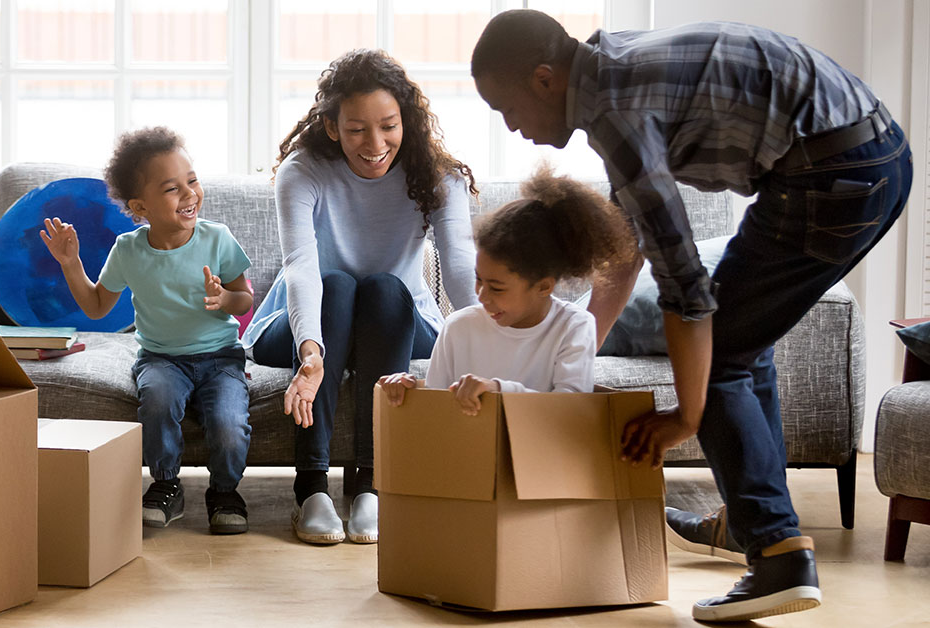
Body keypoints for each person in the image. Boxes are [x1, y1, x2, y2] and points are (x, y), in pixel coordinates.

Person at [471, 10, 912, 622]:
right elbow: (627, 249)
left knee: (724, 343)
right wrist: (569, 357)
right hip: (864, 155)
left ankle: (779, 554)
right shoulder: (608, 66)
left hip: (836, 171)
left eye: (506, 108)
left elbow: (686, 288)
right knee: (742, 338)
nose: (511, 126)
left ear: (545, 79)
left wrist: (686, 415)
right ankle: (756, 521)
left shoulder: (613, 113)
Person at [241, 49, 479, 545]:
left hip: (396, 321)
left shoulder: (439, 176)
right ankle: (312, 490)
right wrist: (309, 352)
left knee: (385, 289)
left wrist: (489, 340)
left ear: (406, 121)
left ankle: (371, 486)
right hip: (301, 322)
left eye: (388, 126)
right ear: (331, 126)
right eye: (356, 130)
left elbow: (460, 266)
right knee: (338, 285)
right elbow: (302, 269)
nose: (375, 144)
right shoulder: (302, 171)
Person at [40, 126, 255, 535]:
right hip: (161, 358)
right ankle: (166, 486)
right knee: (157, 403)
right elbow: (98, 306)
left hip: (221, 357)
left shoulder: (218, 239)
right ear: (141, 206)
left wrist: (225, 300)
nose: (190, 194)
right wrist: (71, 264)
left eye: (192, 181)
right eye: (173, 188)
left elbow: (244, 298)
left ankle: (225, 492)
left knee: (229, 423)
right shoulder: (129, 250)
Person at [379, 168, 636, 410]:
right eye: (479, 280)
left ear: (544, 286)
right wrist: (411, 389)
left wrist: (498, 390)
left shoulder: (575, 327)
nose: (481, 295)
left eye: (497, 288)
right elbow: (439, 402)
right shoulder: (458, 327)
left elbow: (570, 408)